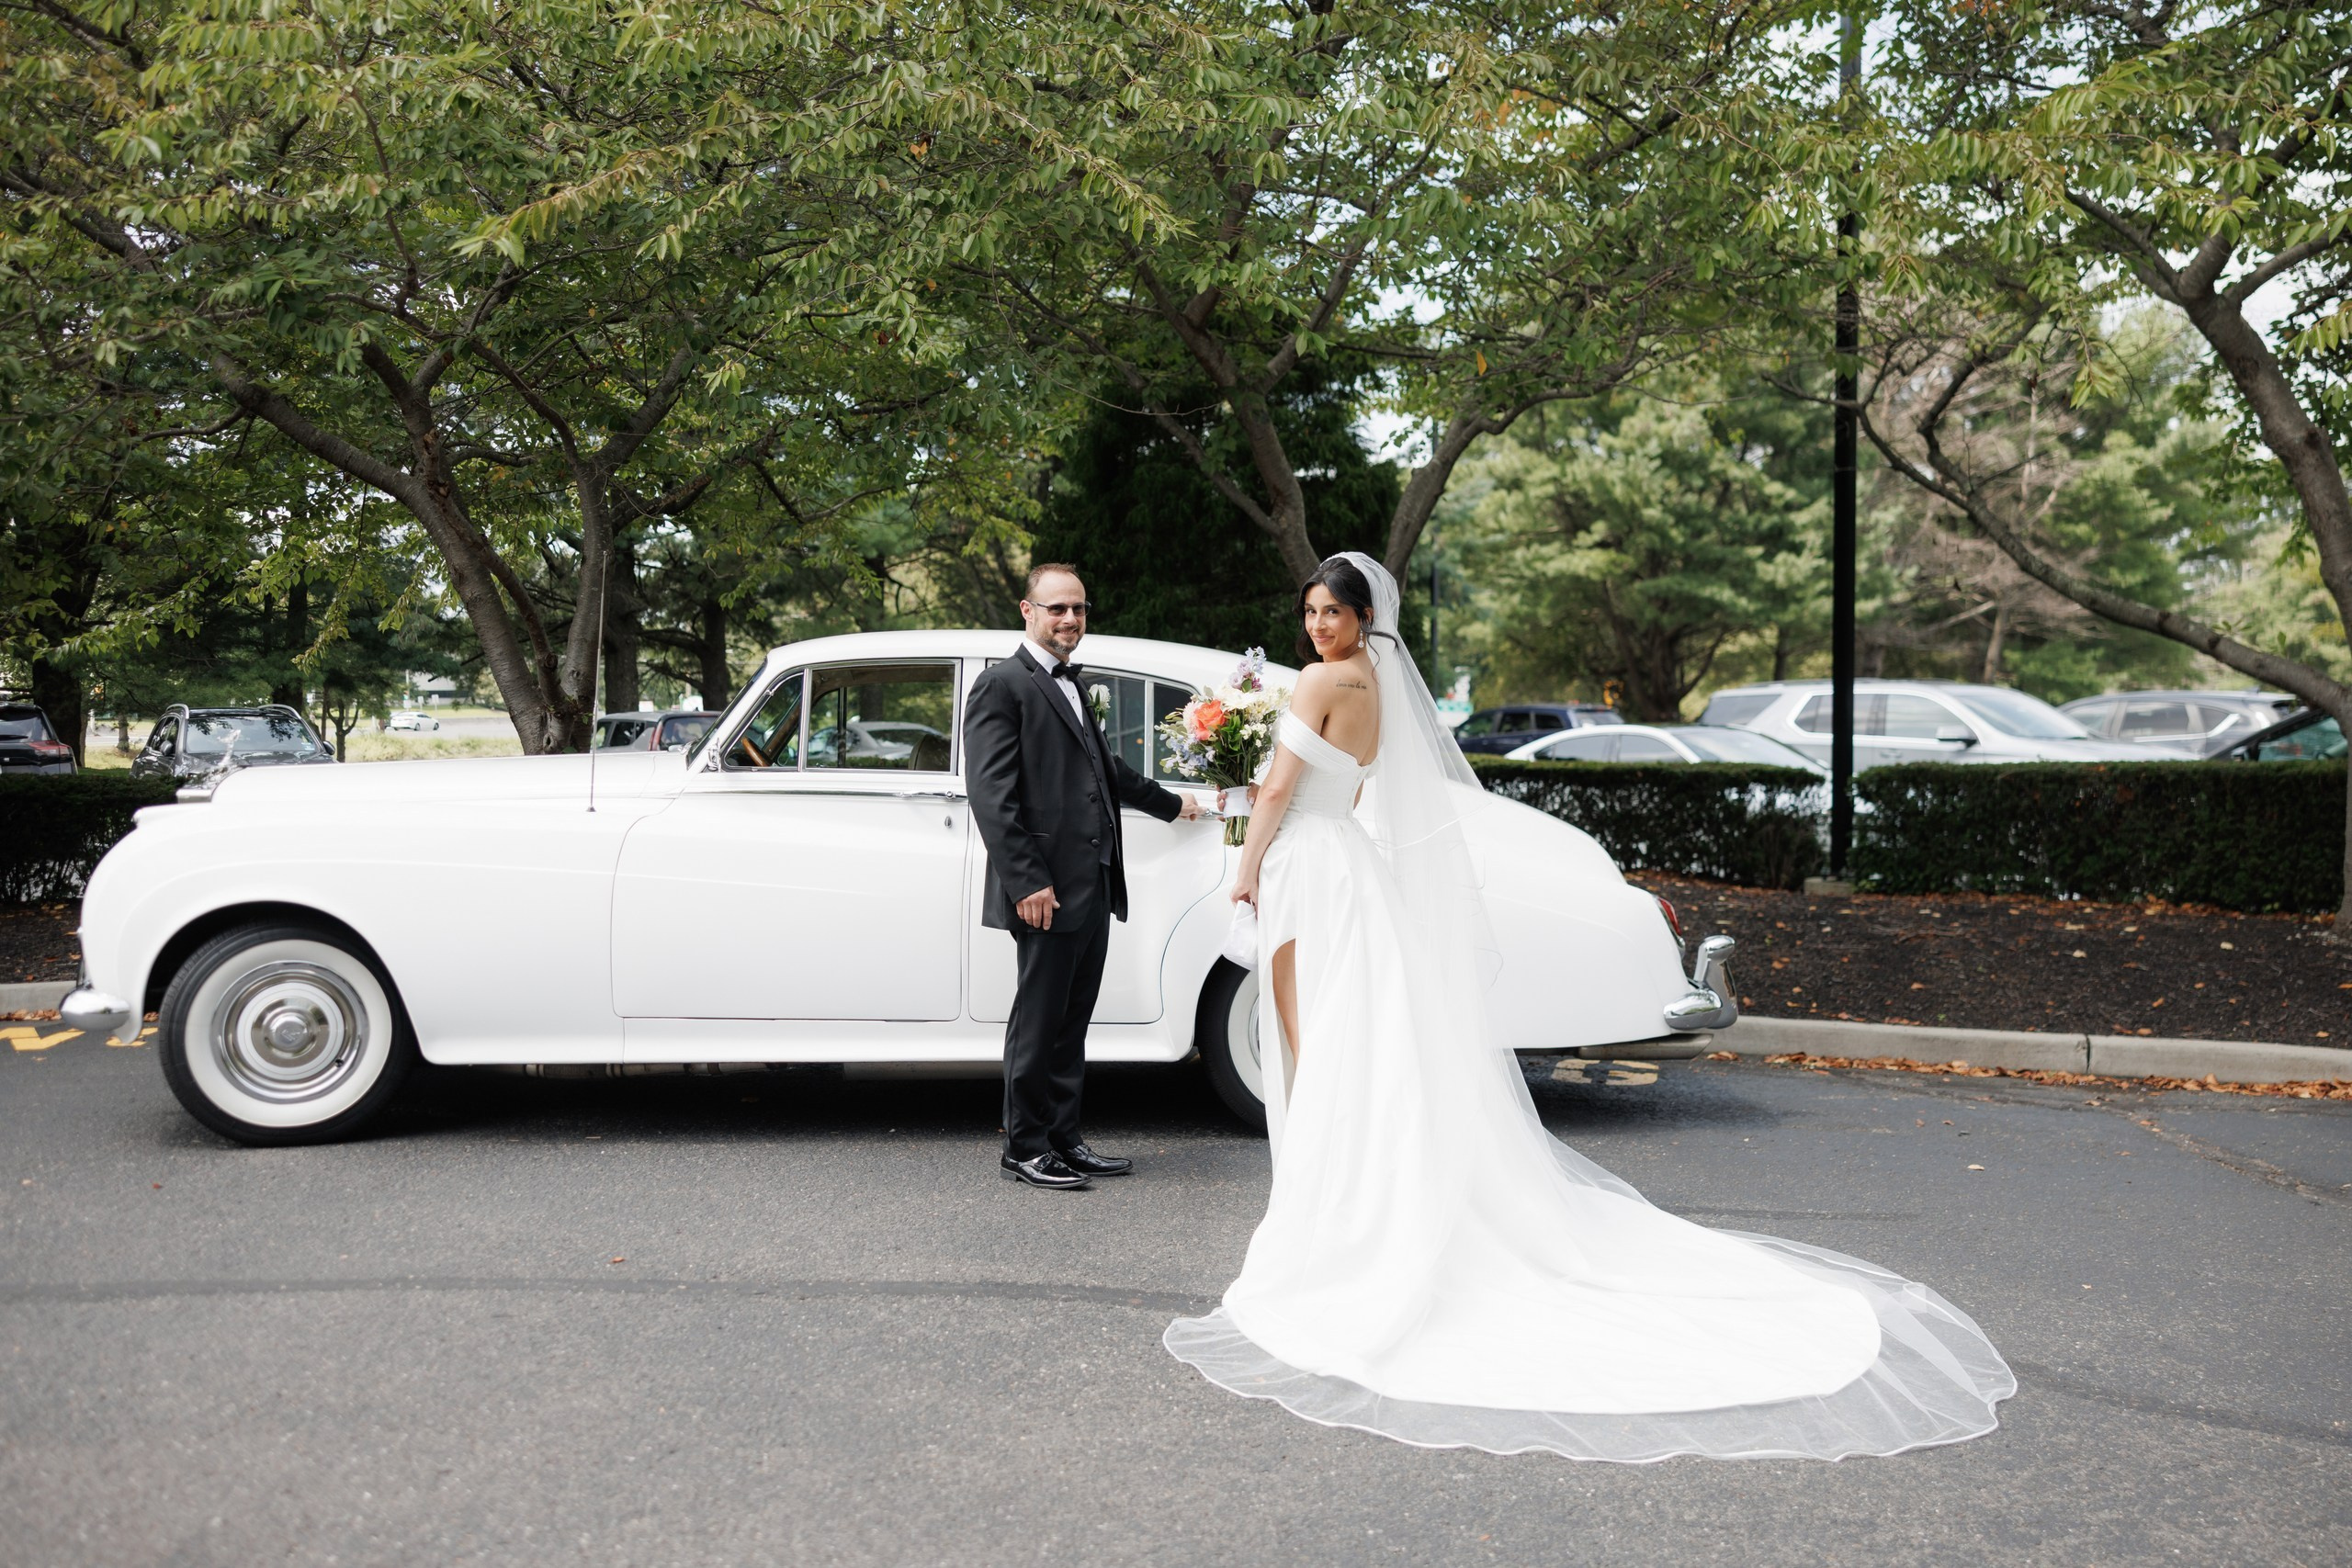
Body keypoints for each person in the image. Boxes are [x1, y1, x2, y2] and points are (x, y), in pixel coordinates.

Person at [1164, 551, 2014, 1461]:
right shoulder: (1374, 681)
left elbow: (1281, 789)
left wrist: (1246, 865)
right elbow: (1357, 784)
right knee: (1355, 1040)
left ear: (1363, 615)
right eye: (1309, 613)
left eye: (1331, 612)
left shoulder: (1321, 680)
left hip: (1308, 866)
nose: (1316, 626)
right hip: (1352, 871)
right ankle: (1354, 1201)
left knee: (1316, 1043)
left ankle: (1333, 1218)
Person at [966, 563, 1204, 1190]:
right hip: (1044, 887)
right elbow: (991, 796)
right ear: (1028, 610)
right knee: (1038, 1021)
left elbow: (1106, 769)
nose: (1070, 618)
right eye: (1057, 608)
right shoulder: (1001, 685)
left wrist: (1173, 804)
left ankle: (1063, 1138)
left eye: (1078, 608)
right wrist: (1027, 881)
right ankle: (1024, 1147)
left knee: (1071, 1023)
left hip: (1093, 880)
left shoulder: (1074, 683)